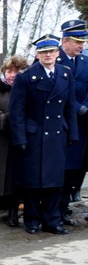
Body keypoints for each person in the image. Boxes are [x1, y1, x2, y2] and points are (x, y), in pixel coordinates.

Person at [9, 34, 80, 235]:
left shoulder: (65, 74)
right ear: (37, 54)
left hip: (57, 134)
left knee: (55, 181)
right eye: (43, 52)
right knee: (33, 181)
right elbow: (17, 112)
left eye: (51, 51)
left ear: (57, 53)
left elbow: (70, 107)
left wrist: (73, 134)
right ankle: (32, 220)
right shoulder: (26, 77)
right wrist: (20, 138)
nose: (48, 55)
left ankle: (52, 221)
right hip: (34, 135)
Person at [0, 56, 29, 226]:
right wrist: (6, 119)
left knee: (14, 175)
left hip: (19, 137)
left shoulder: (26, 87)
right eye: (9, 71)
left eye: (17, 71)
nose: (13, 75)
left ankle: (13, 211)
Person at [57, 19, 88, 213]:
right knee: (61, 167)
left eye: (83, 41)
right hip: (61, 122)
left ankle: (64, 205)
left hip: (82, 124)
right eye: (77, 41)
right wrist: (77, 107)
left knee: (76, 167)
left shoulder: (84, 61)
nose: (81, 45)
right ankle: (55, 208)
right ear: (65, 40)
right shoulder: (53, 58)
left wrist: (86, 106)